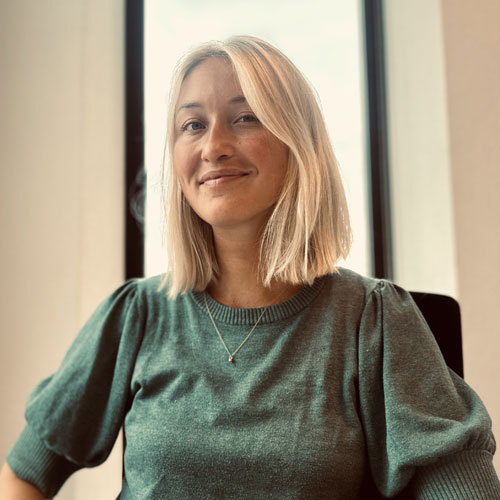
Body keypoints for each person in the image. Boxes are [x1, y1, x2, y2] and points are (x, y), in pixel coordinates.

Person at [1, 35, 499, 499]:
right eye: (193, 124)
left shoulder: (374, 320)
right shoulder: (137, 313)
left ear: (297, 143)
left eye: (245, 118)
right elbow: (23, 475)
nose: (212, 145)